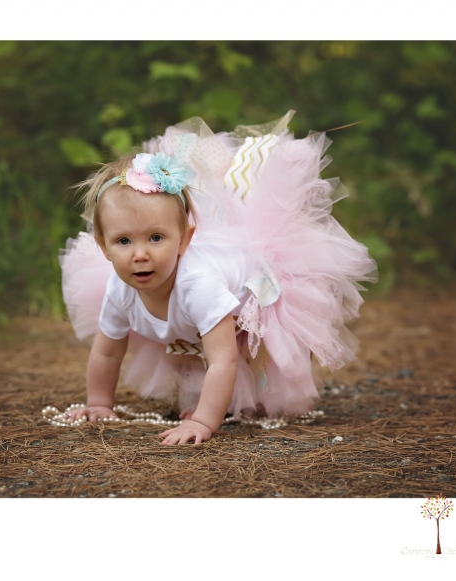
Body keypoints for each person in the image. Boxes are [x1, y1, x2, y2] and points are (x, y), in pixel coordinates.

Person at [59, 113, 377, 445]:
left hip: (258, 289)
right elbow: (107, 353)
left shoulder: (198, 284)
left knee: (252, 363)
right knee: (192, 349)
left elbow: (223, 360)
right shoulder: (119, 288)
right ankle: (216, 399)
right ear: (104, 247)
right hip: (207, 303)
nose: (140, 254)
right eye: (124, 241)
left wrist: (203, 422)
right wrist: (99, 403)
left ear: (184, 240)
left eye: (156, 238)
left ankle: (236, 401)